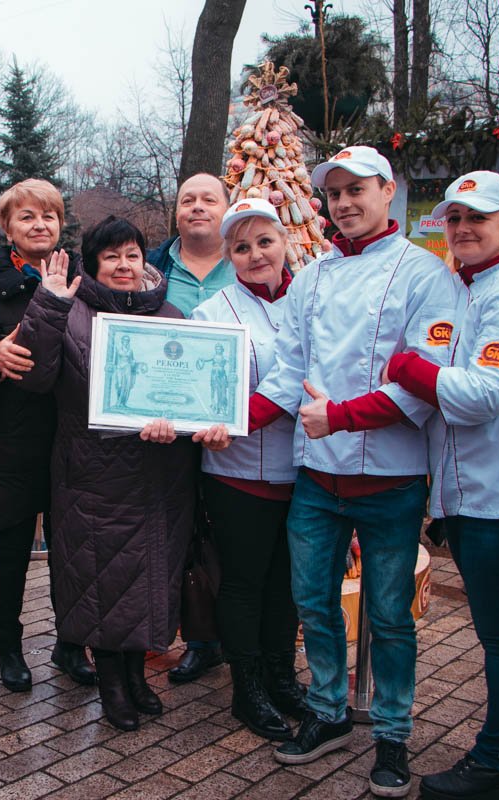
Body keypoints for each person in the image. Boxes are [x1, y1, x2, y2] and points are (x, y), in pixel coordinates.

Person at [250, 146, 459, 797]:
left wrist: (337, 417)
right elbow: (287, 369)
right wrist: (231, 419)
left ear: (388, 190)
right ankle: (329, 709)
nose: (343, 203)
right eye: (333, 193)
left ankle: (392, 733)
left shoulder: (428, 276)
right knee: (314, 603)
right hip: (317, 478)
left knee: (391, 616)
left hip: (392, 480)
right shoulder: (312, 277)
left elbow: (424, 382)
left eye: (355, 190)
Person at [377, 171, 499, 799]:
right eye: (454, 219)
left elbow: (487, 393)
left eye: (477, 219)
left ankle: (496, 762)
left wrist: (409, 368)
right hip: (478, 492)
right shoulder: (470, 287)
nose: (461, 229)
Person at [16, 216, 197, 731]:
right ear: (93, 263)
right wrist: (47, 305)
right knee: (101, 579)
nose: (124, 265)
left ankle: (136, 675)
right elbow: (34, 377)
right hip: (92, 474)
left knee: (149, 579)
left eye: (133, 254)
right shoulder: (70, 311)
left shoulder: (173, 315)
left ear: (146, 261)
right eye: (112, 256)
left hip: (160, 476)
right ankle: (113, 683)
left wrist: (183, 426)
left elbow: (196, 393)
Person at [0, 178, 94, 691]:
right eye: (27, 217)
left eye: (49, 216)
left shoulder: (83, 277)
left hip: (72, 435)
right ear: (7, 228)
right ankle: (9, 650)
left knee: (70, 546)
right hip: (12, 435)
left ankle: (69, 643)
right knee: (12, 548)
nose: (39, 225)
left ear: (61, 224)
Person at [189, 199, 305, 742]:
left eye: (265, 242)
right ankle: (248, 687)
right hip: (236, 472)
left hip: (304, 470)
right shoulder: (212, 312)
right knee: (243, 582)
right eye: (242, 247)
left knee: (287, 584)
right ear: (229, 255)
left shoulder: (309, 300)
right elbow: (192, 386)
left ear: (284, 243)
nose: (256, 254)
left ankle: (284, 678)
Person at [148, 173, 233, 683]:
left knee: (225, 534)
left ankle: (230, 637)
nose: (198, 207)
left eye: (209, 199)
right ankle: (197, 640)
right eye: (187, 200)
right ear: (175, 212)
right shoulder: (155, 268)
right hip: (166, 427)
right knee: (180, 535)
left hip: (235, 428)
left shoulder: (250, 260)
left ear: (227, 208)